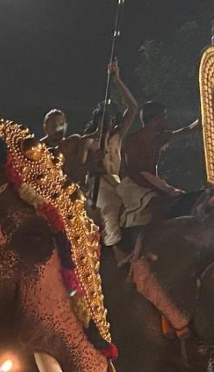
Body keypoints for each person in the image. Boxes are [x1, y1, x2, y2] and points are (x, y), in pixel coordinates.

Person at [78, 59, 139, 246]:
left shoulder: (117, 136)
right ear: (97, 119)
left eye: (112, 118)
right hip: (98, 183)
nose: (109, 122)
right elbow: (79, 172)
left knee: (141, 201)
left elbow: (133, 108)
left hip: (117, 181)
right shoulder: (88, 141)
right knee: (111, 208)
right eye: (106, 118)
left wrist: (117, 80)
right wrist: (93, 163)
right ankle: (113, 246)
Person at [117, 101, 201, 230]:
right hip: (134, 184)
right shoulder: (133, 140)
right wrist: (163, 190)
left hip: (152, 183)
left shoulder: (159, 138)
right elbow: (137, 173)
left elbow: (186, 130)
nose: (166, 121)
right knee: (157, 205)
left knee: (179, 201)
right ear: (156, 119)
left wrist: (202, 119)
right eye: (164, 117)